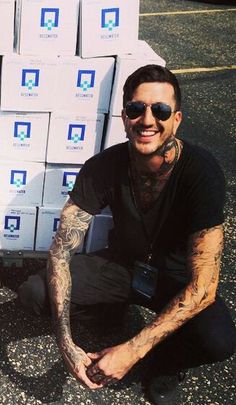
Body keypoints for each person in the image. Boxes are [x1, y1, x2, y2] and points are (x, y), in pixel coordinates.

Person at [19, 65, 236, 404]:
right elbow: (60, 252)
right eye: (137, 109)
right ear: (124, 116)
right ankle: (109, 312)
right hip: (122, 265)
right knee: (35, 292)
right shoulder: (103, 166)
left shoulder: (202, 173)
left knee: (219, 339)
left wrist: (132, 351)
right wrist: (66, 344)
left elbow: (204, 287)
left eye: (160, 110)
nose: (147, 120)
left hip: (176, 277)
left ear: (176, 119)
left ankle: (162, 366)